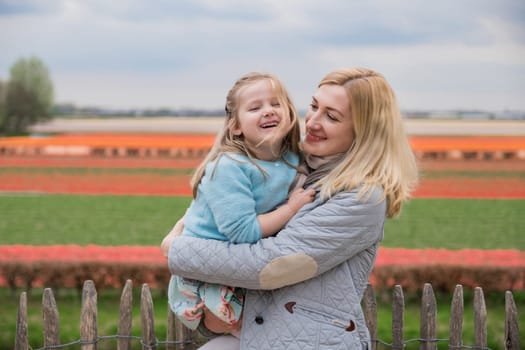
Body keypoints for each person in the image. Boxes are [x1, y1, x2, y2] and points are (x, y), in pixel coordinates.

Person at [164, 67, 418, 349]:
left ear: (365, 133)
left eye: (331, 116)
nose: (312, 122)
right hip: (265, 336)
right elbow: (220, 209)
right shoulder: (297, 167)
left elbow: (271, 265)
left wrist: (176, 248)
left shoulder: (362, 197)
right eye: (314, 106)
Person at [163, 72, 316, 336]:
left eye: (276, 104)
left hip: (241, 266)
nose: (268, 111)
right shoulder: (230, 167)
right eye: (255, 107)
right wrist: (290, 209)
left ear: (290, 113)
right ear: (236, 126)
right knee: (254, 332)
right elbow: (243, 232)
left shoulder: (292, 158)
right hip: (207, 276)